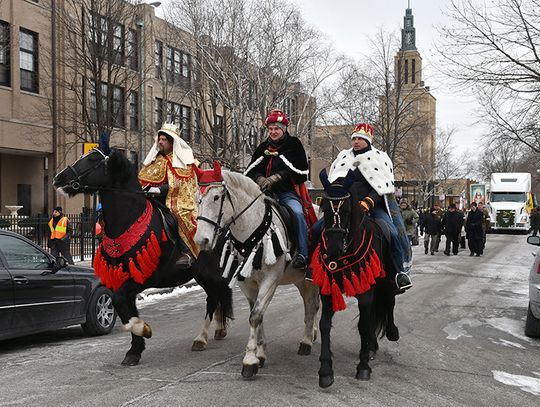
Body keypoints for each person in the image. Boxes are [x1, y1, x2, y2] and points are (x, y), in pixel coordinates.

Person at [323, 123, 412, 291]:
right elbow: (336, 183)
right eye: (354, 139)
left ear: (368, 141)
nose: (355, 142)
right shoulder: (344, 157)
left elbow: (382, 186)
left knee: (391, 232)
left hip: (372, 205)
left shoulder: (380, 157)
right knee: (319, 228)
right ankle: (315, 268)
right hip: (345, 206)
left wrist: (368, 202)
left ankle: (399, 272)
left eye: (360, 139)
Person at [245, 109, 316, 269]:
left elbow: (300, 171)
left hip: (286, 193)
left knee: (297, 214)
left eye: (276, 128)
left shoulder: (294, 144)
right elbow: (252, 169)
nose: (273, 132)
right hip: (263, 193)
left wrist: (277, 177)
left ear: (283, 129)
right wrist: (260, 179)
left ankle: (303, 254)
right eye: (270, 129)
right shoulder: (263, 147)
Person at [138, 122, 199, 267]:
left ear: (172, 142)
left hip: (175, 200)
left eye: (164, 139)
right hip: (153, 200)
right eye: (159, 139)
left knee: (179, 214)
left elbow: (180, 184)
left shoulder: (182, 162)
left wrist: (160, 190)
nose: (160, 142)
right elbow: (144, 178)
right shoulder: (156, 160)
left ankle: (187, 251)